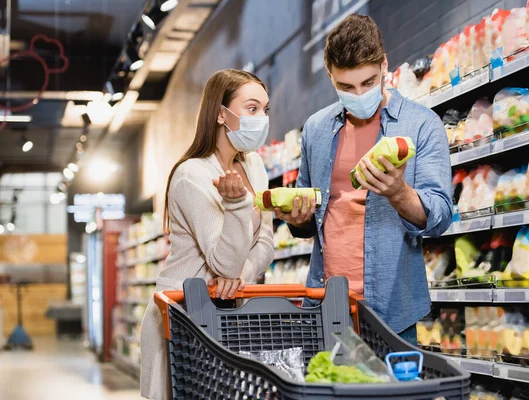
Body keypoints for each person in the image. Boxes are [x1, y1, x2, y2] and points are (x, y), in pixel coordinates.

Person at [275, 15, 452, 344]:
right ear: (330, 77)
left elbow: (440, 215)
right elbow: (310, 217)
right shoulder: (315, 129)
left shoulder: (422, 124)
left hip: (392, 312)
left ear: (384, 66)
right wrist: (298, 220)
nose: (359, 94)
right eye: (345, 87)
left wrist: (399, 193)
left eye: (368, 82)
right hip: (325, 307)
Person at [140, 69, 274, 400]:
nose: (262, 119)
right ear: (220, 114)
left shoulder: (255, 166)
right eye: (252, 108)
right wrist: (236, 204)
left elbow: (266, 242)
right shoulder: (192, 176)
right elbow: (221, 261)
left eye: (265, 110)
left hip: (228, 310)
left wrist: (239, 276)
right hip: (185, 316)